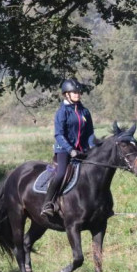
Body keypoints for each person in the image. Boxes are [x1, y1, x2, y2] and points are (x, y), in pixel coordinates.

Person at [41, 79, 96, 218]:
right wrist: (70, 149)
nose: (78, 94)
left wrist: (93, 147)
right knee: (60, 174)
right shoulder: (62, 112)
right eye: (74, 92)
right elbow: (58, 134)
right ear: (66, 94)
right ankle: (48, 203)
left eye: (78, 92)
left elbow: (89, 133)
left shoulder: (85, 112)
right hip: (64, 149)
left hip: (82, 149)